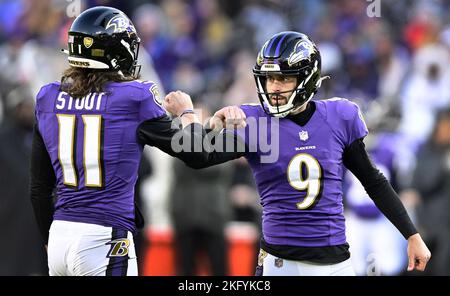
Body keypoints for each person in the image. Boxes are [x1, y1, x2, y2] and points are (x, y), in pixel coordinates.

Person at [164, 31, 431, 276]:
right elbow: (197, 156)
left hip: (334, 264)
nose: (274, 87)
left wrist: (412, 234)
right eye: (269, 78)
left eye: (283, 78)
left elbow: (373, 180)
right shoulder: (254, 122)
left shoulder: (339, 116)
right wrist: (202, 121)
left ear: (307, 77)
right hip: (280, 264)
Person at [30, 6, 209, 276]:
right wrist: (187, 113)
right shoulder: (133, 97)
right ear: (117, 52)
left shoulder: (48, 97)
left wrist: (49, 240)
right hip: (104, 236)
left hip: (59, 236)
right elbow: (197, 153)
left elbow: (39, 188)